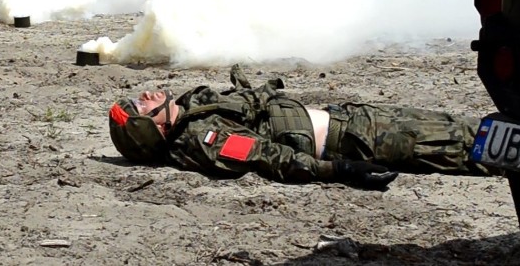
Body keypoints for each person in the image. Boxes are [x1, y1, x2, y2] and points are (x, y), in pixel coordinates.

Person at [107, 65, 494, 191]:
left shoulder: (191, 110)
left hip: (353, 118)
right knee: (468, 147)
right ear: (152, 128)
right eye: (141, 106)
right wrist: (340, 171)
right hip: (358, 138)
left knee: (462, 129)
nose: (145, 94)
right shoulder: (205, 139)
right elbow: (270, 157)